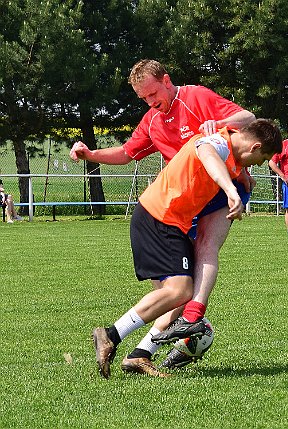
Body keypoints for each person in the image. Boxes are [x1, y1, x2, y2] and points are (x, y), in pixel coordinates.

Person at [70, 59, 256, 375]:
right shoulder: (153, 120)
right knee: (176, 290)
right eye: (143, 99)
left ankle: (154, 340)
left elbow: (248, 118)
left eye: (152, 94)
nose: (150, 102)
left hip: (218, 194)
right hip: (179, 207)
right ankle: (143, 350)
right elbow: (128, 152)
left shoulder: (196, 97)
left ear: (166, 80)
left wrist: (219, 125)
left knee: (189, 278)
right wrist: (91, 155)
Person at [91, 119, 282, 379]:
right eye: (262, 159)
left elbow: (227, 161)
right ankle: (110, 335)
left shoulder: (231, 152)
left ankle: (140, 355)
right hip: (158, 218)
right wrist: (230, 190)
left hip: (169, 222)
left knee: (179, 297)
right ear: (255, 146)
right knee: (181, 290)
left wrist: (240, 176)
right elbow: (206, 150)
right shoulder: (218, 142)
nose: (258, 165)